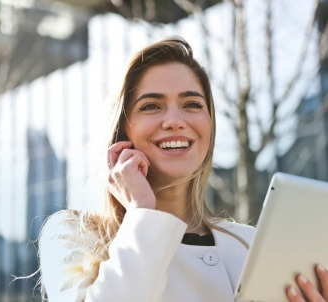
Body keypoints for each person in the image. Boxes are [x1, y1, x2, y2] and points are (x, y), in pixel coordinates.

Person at [38, 37, 328, 302]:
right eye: (151, 106)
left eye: (192, 104)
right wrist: (142, 211)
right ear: (122, 129)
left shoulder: (252, 245)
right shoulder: (72, 237)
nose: (175, 120)